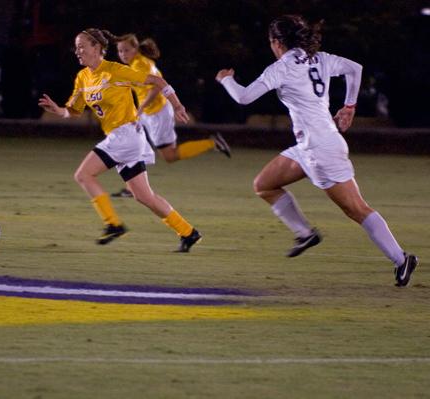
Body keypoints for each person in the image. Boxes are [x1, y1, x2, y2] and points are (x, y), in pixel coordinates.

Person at [216, 15, 418, 286]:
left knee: (356, 209)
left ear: (277, 42)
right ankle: (305, 233)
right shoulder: (319, 58)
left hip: (321, 150)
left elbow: (243, 97)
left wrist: (226, 80)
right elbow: (355, 68)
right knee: (264, 185)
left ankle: (401, 259)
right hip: (308, 146)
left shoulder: (282, 67)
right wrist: (349, 106)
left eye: (270, 42)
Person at [38, 28, 201, 252]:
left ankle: (113, 224)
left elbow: (157, 81)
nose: (78, 51)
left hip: (125, 135)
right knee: (144, 196)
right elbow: (74, 110)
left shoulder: (115, 71)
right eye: (76, 47)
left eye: (82, 46)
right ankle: (188, 232)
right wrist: (59, 111)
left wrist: (177, 104)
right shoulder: (83, 77)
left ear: (97, 48)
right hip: (125, 139)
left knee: (83, 175)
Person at [111, 33, 231, 198]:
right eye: (120, 51)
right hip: (148, 114)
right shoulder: (135, 64)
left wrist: (142, 107)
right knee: (133, 146)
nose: (123, 54)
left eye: (126, 50)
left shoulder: (141, 64)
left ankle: (212, 143)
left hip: (157, 114)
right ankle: (132, 188)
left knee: (169, 155)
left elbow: (156, 87)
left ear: (135, 49)